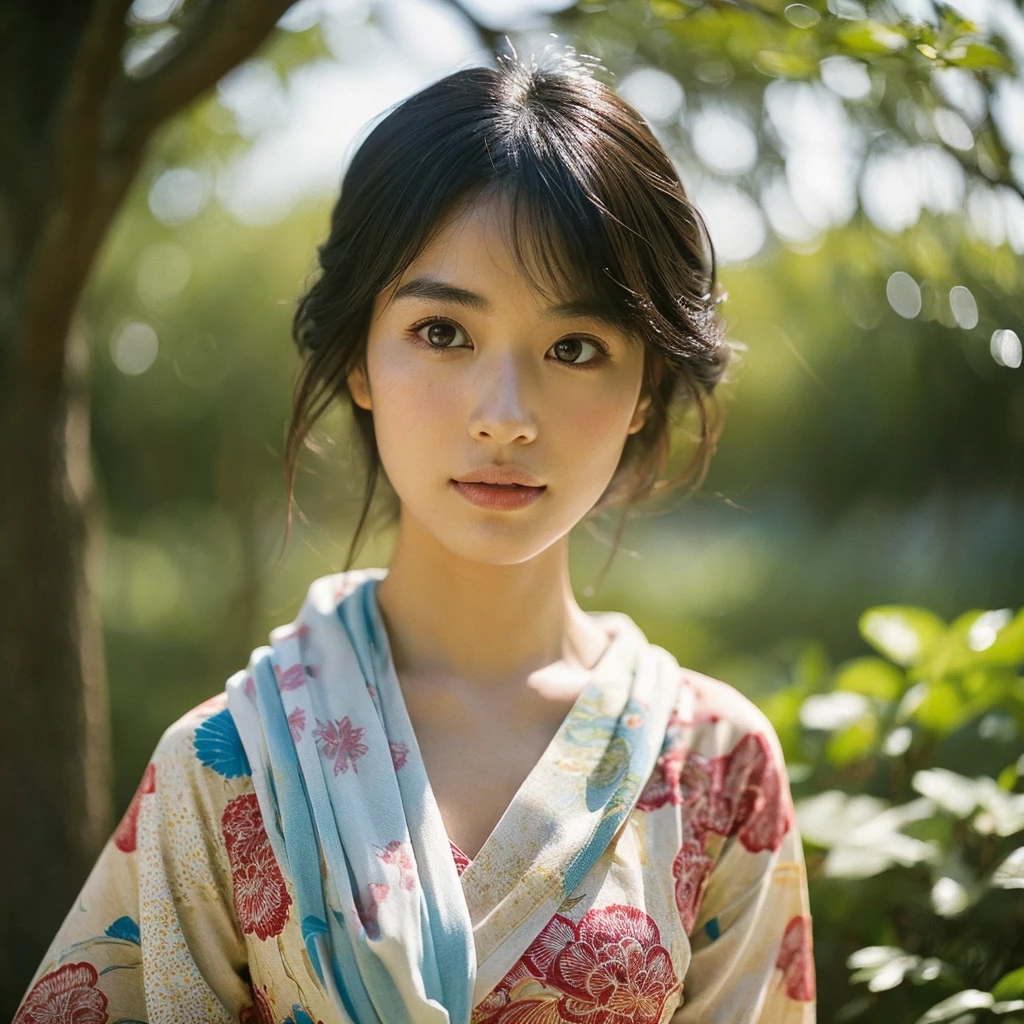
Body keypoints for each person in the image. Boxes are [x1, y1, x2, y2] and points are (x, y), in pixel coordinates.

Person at [15, 47, 815, 1024]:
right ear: (358, 356)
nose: (504, 414)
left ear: (645, 387)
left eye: (575, 347)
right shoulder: (231, 762)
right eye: (443, 331)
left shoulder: (717, 764)